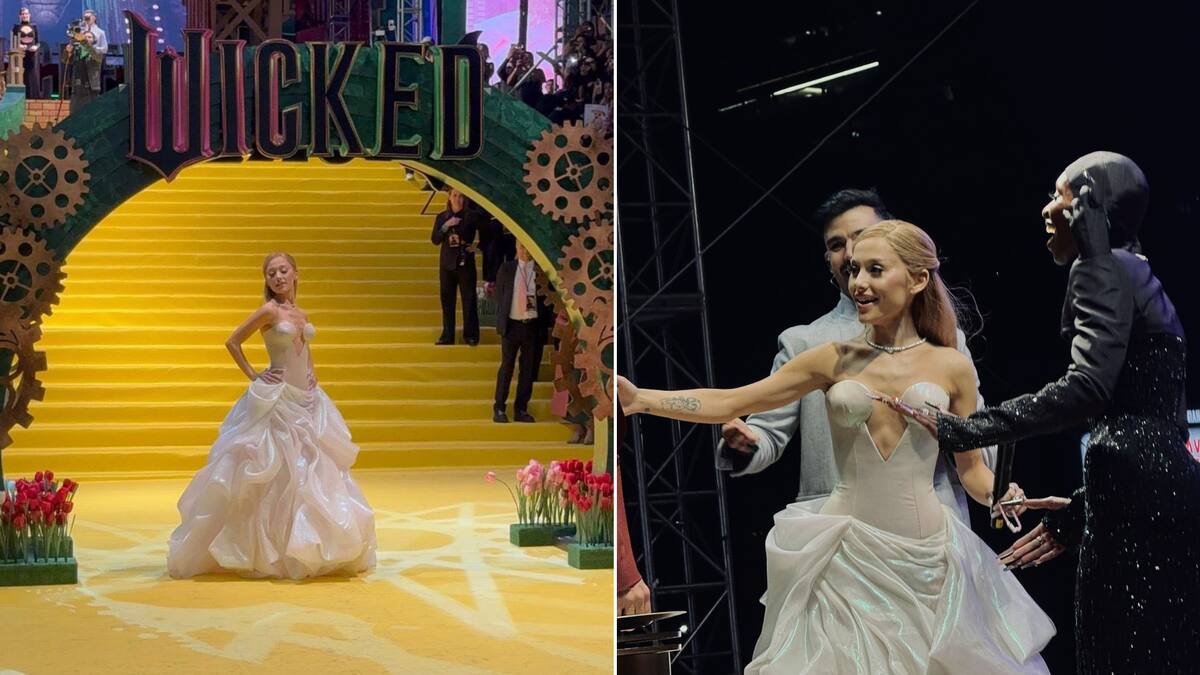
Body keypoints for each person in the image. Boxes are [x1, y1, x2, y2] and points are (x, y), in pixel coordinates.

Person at [618, 220, 1054, 673]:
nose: (859, 283)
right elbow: (733, 400)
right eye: (854, 270)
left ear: (918, 278)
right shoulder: (833, 358)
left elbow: (972, 472)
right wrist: (641, 400)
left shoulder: (951, 365)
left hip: (930, 560)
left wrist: (1001, 495)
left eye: (875, 270)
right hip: (846, 558)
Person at [885, 152, 1200, 674]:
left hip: (1133, 495)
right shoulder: (1139, 273)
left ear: (1090, 210)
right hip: (1159, 490)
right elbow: (1142, 408)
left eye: (1062, 196)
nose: (1047, 208)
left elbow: (1090, 388)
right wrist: (1088, 506)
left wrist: (972, 429)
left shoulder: (1098, 268)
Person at [720, 189, 997, 525]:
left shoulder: (945, 343)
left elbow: (981, 449)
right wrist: (745, 445)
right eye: (837, 245)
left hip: (930, 527)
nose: (851, 252)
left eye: (862, 237)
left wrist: (973, 455)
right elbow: (766, 432)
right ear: (829, 261)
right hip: (839, 529)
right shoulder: (805, 342)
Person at [167, 253, 377, 579]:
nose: (278, 277)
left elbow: (304, 350)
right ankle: (262, 549)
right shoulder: (269, 311)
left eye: (283, 271)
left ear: (295, 274)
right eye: (271, 273)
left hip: (306, 399)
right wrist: (254, 375)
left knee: (310, 472)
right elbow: (233, 341)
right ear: (266, 281)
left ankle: (304, 544)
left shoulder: (300, 312)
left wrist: (312, 375)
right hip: (276, 400)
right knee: (269, 469)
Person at [492, 242, 549, 423]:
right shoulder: (507, 268)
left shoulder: (541, 271)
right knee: (507, 366)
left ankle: (521, 408)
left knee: (528, 369)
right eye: (521, 247)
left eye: (528, 248)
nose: (524, 251)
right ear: (516, 248)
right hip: (511, 324)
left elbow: (546, 299)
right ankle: (499, 407)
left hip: (532, 325)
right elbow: (499, 295)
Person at [431, 188, 480, 346]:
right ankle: (447, 335)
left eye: (461, 196)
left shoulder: (471, 216)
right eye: (455, 195)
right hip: (447, 264)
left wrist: (478, 246)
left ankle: (470, 335)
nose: (458, 199)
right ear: (449, 197)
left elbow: (488, 231)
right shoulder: (442, 217)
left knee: (469, 299)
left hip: (465, 262)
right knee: (447, 300)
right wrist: (446, 226)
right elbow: (435, 239)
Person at [65, 9, 106, 113]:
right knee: (74, 114)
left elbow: (98, 53)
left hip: (91, 88)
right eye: (85, 36)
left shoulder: (96, 52)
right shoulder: (78, 51)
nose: (87, 38)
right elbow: (65, 61)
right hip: (77, 88)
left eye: (89, 37)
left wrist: (84, 41)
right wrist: (68, 51)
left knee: (91, 114)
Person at [11, 7, 41, 99]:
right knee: (22, 74)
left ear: (29, 15)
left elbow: (38, 42)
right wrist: (19, 46)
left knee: (32, 74)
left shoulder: (34, 26)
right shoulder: (16, 27)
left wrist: (36, 47)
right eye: (23, 14)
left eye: (26, 14)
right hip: (21, 55)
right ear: (20, 16)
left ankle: (34, 97)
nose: (25, 15)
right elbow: (13, 41)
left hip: (32, 55)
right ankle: (21, 97)